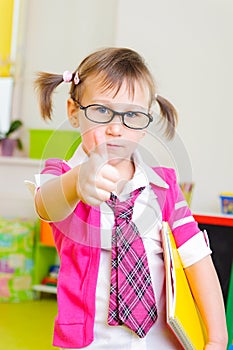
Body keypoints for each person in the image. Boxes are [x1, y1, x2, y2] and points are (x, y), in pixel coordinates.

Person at [33, 47, 228, 349]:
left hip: (161, 342)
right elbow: (47, 205)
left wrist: (216, 337)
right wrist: (77, 181)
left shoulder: (164, 187)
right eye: (101, 111)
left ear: (146, 121)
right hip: (90, 344)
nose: (115, 128)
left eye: (132, 115)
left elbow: (196, 258)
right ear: (74, 112)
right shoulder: (59, 175)